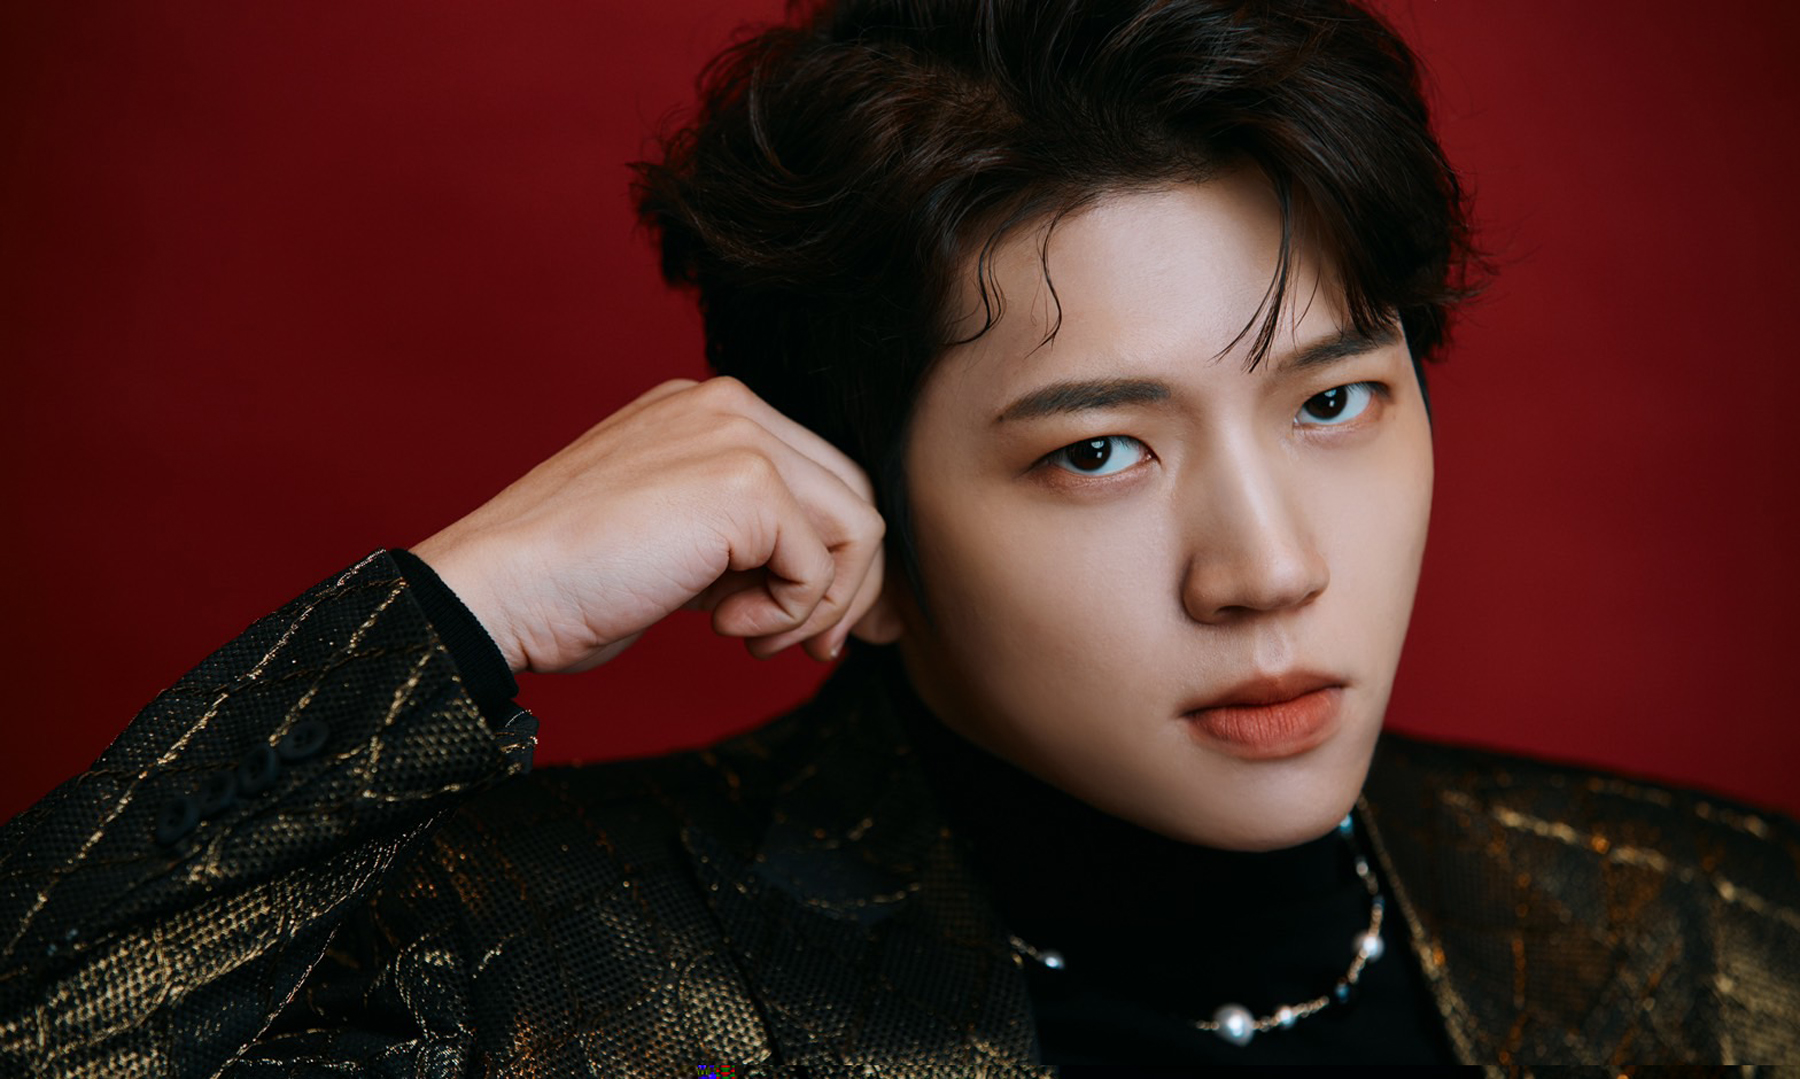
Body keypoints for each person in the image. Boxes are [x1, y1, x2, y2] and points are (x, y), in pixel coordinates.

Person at [2, 0, 1796, 1073]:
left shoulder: (1722, 932)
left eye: (1333, 403)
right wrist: (473, 600)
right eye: (1098, 449)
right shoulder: (528, 973)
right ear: (847, 509)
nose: (1268, 568)